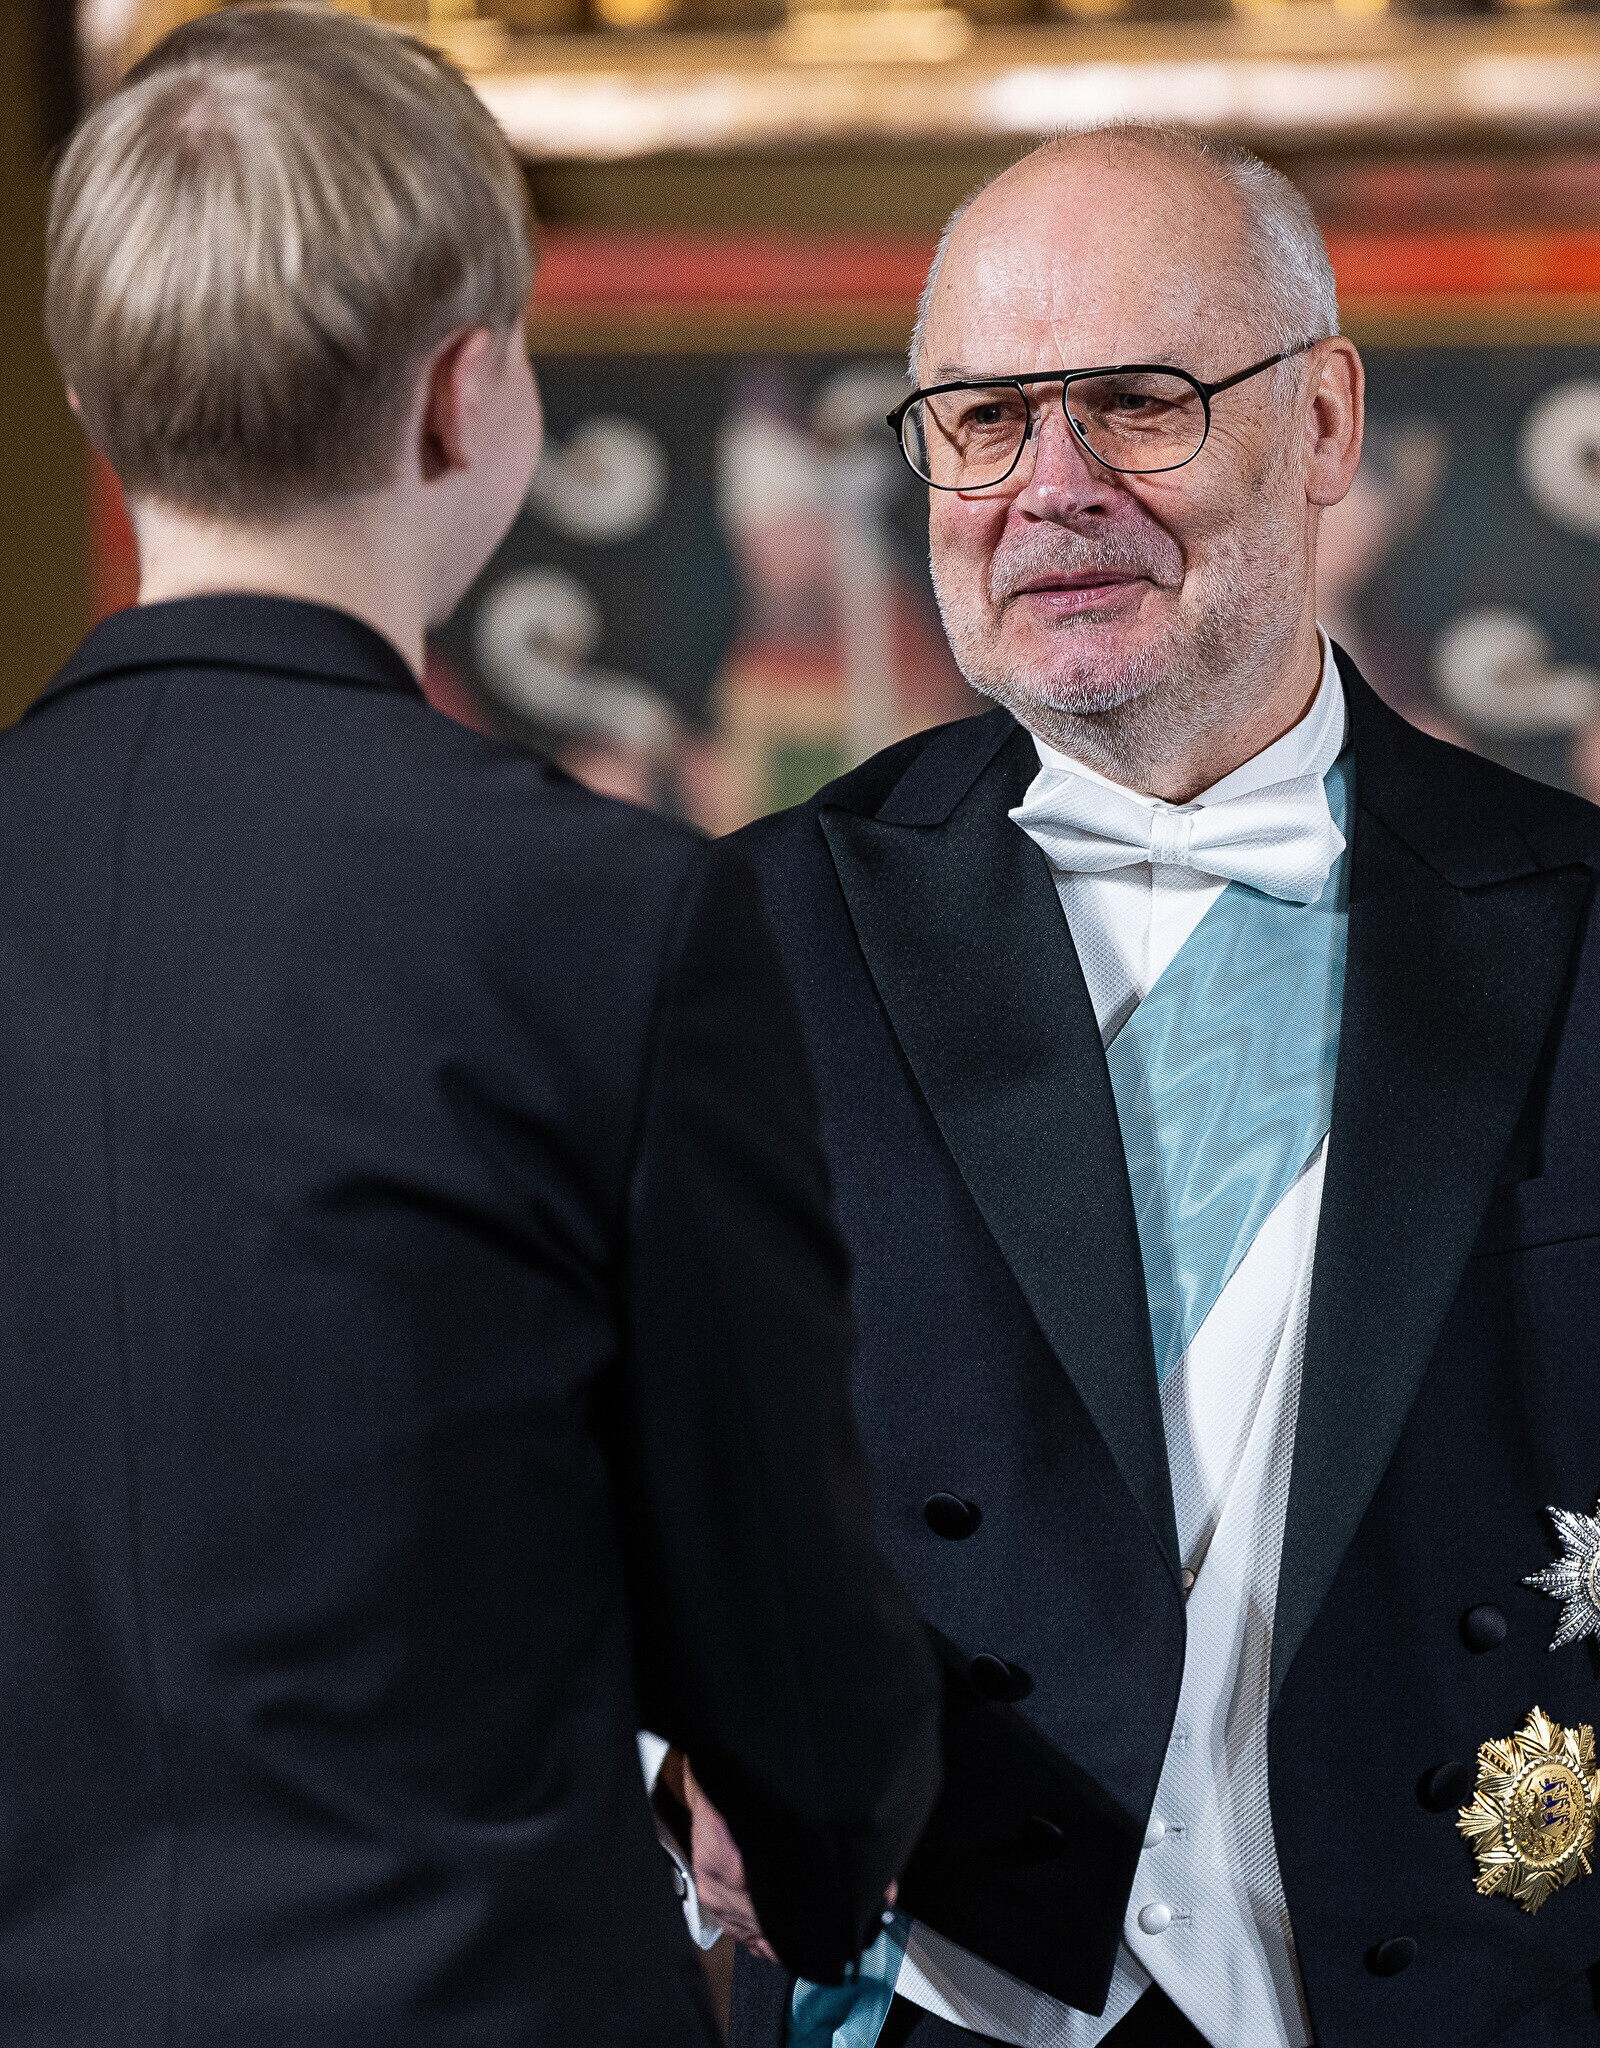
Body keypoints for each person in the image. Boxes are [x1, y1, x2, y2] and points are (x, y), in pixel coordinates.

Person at [677, 126, 1600, 2048]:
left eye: (1137, 404)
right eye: (983, 419)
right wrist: (680, 1758)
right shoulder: (731, 948)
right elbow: (578, 1495)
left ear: (1324, 421)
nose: (1051, 487)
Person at [0, 11, 939, 2042]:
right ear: (466, 392)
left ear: (93, 395)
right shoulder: (607, 913)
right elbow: (780, 1629)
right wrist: (818, 1839)